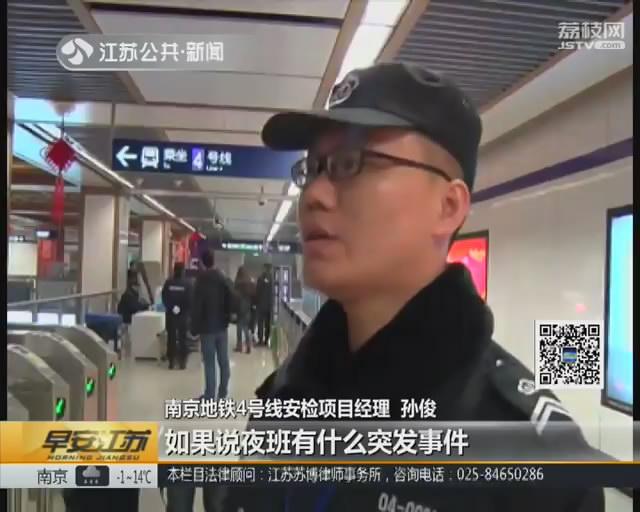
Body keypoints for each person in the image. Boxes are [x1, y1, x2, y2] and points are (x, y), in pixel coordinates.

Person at [221, 63, 605, 511]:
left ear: (448, 206)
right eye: (313, 168)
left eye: (350, 163)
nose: (314, 196)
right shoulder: (290, 392)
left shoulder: (536, 464)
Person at [191, 250, 233, 400]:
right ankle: (223, 393)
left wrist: (194, 327)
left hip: (206, 328)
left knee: (209, 363)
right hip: (221, 326)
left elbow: (196, 306)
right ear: (214, 261)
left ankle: (209, 395)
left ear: (202, 263)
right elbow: (231, 298)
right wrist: (227, 317)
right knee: (224, 361)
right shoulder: (223, 278)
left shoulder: (200, 280)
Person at [161, 262, 192, 370]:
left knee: (171, 337)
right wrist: (181, 308)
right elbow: (190, 299)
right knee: (183, 337)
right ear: (183, 271)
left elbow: (164, 297)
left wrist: (172, 307)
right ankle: (182, 361)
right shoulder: (188, 283)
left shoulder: (168, 282)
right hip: (183, 315)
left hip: (171, 314)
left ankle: (171, 361)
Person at [234, 265, 255, 354]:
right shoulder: (250, 283)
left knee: (239, 327)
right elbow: (254, 295)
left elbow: (235, 296)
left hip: (240, 307)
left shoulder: (238, 283)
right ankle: (248, 346)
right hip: (248, 307)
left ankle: (239, 346)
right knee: (245, 327)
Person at [254, 263, 274, 345]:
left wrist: (255, 303)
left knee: (260, 323)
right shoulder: (273, 279)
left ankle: (260, 340)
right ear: (270, 269)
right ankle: (266, 340)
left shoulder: (260, 278)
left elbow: (257, 292)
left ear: (264, 268)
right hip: (270, 305)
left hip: (261, 305)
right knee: (268, 324)